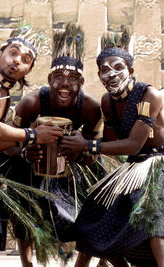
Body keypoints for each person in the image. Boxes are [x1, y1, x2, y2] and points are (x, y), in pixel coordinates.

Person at [60, 32, 164, 267]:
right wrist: (79, 150)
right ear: (99, 76)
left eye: (118, 67)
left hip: (159, 162)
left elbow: (133, 144)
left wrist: (87, 144)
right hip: (133, 165)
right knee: (94, 211)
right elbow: (110, 144)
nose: (112, 73)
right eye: (105, 70)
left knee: (152, 210)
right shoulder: (107, 102)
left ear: (130, 70)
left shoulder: (150, 95)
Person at [4, 23, 103, 267]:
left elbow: (96, 148)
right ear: (49, 79)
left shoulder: (90, 107)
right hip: (32, 160)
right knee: (23, 203)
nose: (65, 84)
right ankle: (27, 263)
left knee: (97, 200)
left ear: (81, 81)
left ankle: (83, 262)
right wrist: (27, 152)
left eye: (73, 79)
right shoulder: (32, 102)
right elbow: (7, 144)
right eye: (58, 77)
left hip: (72, 162)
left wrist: (80, 153)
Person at [0, 26, 62, 267]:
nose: (17, 61)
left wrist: (27, 140)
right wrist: (32, 134)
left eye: (26, 60)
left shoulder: (4, 98)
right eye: (13, 53)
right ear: (0, 53)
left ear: (28, 70)